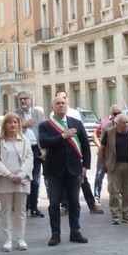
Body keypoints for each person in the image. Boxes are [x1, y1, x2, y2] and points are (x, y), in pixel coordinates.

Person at [38, 91, 90, 244]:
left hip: (74, 169)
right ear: (52, 107)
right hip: (54, 170)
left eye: (63, 103)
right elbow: (44, 142)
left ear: (67, 106)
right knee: (54, 203)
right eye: (58, 103)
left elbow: (86, 146)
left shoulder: (76, 123)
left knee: (74, 202)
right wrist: (62, 136)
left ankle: (75, 231)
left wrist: (85, 165)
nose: (61, 105)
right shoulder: (45, 125)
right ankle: (55, 233)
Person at [0, 112, 32, 251]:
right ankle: (8, 240)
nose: (13, 124)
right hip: (4, 179)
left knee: (21, 210)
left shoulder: (24, 139)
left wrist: (21, 174)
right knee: (6, 211)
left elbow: (29, 158)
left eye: (15, 122)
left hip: (21, 180)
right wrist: (8, 174)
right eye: (10, 122)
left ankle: (21, 239)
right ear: (5, 124)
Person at [101, 112, 128, 224]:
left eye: (127, 122)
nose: (126, 124)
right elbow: (102, 149)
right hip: (115, 165)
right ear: (117, 123)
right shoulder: (110, 133)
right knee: (114, 191)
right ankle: (115, 214)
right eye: (123, 123)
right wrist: (104, 164)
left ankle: (127, 214)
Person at [15, 91, 47, 218]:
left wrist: (44, 149)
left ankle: (34, 207)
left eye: (25, 98)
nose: (23, 101)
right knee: (23, 179)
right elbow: (8, 131)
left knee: (35, 179)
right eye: (20, 99)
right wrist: (22, 126)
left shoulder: (38, 114)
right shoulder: (14, 114)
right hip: (21, 150)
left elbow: (43, 132)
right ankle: (23, 206)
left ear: (30, 99)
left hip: (36, 149)